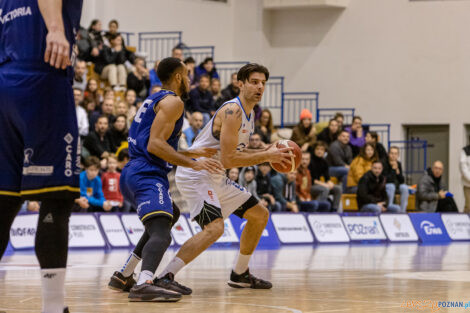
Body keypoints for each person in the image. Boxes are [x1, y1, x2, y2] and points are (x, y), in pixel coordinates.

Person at [158, 63, 292, 291]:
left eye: (263, 83)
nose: (260, 87)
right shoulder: (233, 111)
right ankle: (165, 276)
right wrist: (266, 156)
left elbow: (235, 153)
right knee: (215, 229)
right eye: (254, 82)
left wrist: (266, 151)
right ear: (240, 84)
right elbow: (230, 160)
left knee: (259, 215)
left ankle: (240, 273)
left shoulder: (249, 114)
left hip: (215, 175)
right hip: (196, 173)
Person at [107, 57, 223, 301]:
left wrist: (192, 151)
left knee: (170, 214)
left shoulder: (154, 98)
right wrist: (194, 163)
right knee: (162, 233)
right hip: (147, 173)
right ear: (179, 77)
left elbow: (155, 143)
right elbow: (156, 145)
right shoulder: (174, 102)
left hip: (134, 170)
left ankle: (124, 275)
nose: (190, 80)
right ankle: (144, 282)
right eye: (188, 75)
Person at [0, 1, 82, 312]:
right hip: (43, 75)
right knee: (57, 198)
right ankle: (53, 307)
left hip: (5, 83)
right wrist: (57, 30)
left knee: (4, 201)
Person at [308, 143, 342, 212]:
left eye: (322, 149)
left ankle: (334, 210)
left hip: (318, 184)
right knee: (325, 189)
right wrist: (324, 184)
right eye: (317, 149)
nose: (319, 151)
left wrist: (330, 182)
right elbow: (311, 179)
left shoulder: (324, 162)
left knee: (337, 189)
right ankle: (318, 209)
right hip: (310, 185)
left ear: (324, 152)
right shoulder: (310, 161)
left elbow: (327, 177)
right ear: (314, 150)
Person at [383, 146, 408, 213]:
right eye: (392, 153)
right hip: (386, 186)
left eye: (395, 154)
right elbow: (387, 179)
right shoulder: (384, 163)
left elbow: (402, 180)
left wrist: (397, 170)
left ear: (398, 155)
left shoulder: (398, 164)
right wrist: (393, 170)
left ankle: (403, 211)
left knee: (405, 187)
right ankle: (389, 206)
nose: (393, 156)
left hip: (396, 185)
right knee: (391, 186)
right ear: (388, 154)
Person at [460, 142, 470, 213]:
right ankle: (466, 222)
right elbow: (463, 168)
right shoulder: (465, 151)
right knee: (469, 205)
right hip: (468, 184)